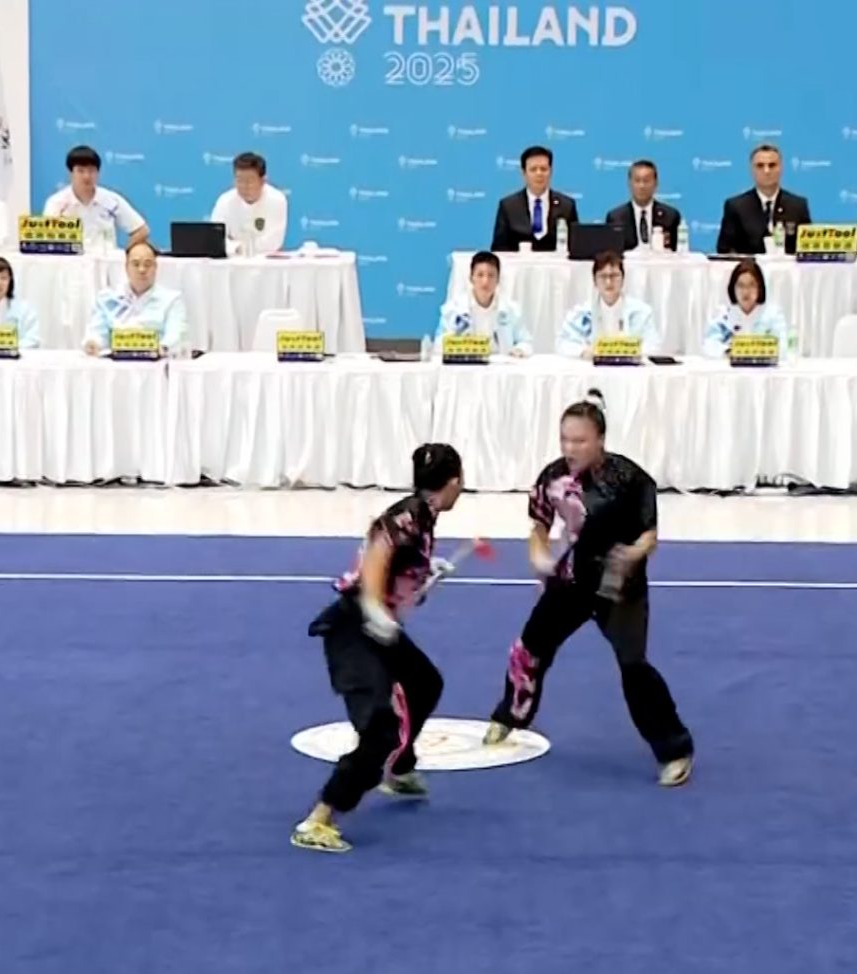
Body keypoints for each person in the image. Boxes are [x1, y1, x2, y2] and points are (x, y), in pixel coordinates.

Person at [483, 391, 694, 787]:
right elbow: (539, 527)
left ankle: (675, 749)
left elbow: (649, 536)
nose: (570, 448)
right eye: (564, 439)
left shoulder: (631, 480)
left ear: (600, 440)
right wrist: (540, 558)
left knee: (634, 667)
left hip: (619, 585)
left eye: (579, 440)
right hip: (573, 578)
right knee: (529, 649)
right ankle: (510, 715)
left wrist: (632, 554)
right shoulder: (552, 478)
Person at [292, 444, 465, 853]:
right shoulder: (408, 516)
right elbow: (378, 551)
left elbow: (398, 572)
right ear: (455, 481)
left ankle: (399, 769)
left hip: (377, 627)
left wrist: (426, 574)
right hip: (355, 627)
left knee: (425, 682)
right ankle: (319, 819)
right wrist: (373, 606)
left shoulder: (424, 517)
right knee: (380, 729)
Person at [83, 240, 188, 357]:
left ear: (156, 267)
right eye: (136, 264)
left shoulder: (172, 299)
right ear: (126, 267)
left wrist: (162, 347)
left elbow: (176, 335)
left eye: (147, 264)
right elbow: (96, 331)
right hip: (115, 362)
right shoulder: (107, 298)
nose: (142, 270)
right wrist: (93, 343)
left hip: (155, 362)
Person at [556, 251, 662, 359]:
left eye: (614, 276)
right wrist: (584, 351)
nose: (608, 282)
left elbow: (653, 346)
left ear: (623, 279)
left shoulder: (641, 312)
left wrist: (627, 350)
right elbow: (562, 343)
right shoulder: (581, 313)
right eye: (603, 276)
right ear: (595, 281)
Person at [43, 145, 148, 250]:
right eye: (80, 171)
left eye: (91, 171)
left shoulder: (112, 200)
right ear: (70, 173)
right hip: (71, 258)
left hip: (106, 259)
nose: (86, 176)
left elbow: (141, 230)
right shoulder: (56, 202)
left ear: (98, 173)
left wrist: (124, 254)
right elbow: (47, 239)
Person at [716, 144, 811, 256]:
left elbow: (808, 248)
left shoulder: (798, 206)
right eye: (760, 166)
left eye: (772, 165)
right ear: (752, 170)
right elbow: (725, 250)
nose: (766, 171)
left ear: (781, 168)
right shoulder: (736, 206)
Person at [434, 251, 532, 357]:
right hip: (466, 363)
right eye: (480, 275)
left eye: (491, 276)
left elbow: (526, 341)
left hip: (502, 364)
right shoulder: (453, 309)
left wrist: (519, 350)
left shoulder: (511, 310)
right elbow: (439, 344)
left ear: (498, 279)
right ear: (471, 278)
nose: (485, 281)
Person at [491, 145, 578, 252]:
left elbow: (575, 246)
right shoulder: (508, 206)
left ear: (550, 171)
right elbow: (499, 248)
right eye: (533, 169)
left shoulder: (566, 205)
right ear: (524, 173)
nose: (539, 174)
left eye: (543, 169)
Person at [703, 258, 787, 358]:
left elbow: (782, 346)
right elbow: (709, 345)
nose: (746, 291)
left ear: (760, 288)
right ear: (732, 288)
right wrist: (729, 352)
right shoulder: (724, 316)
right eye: (740, 285)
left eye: (752, 285)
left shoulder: (772, 315)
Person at [209, 152, 288, 255]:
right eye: (239, 180)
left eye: (249, 181)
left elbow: (274, 241)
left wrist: (245, 249)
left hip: (265, 260)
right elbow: (215, 238)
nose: (244, 186)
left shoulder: (277, 200)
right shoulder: (225, 201)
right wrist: (236, 248)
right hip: (233, 259)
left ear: (263, 181)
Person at [605, 159, 681, 251]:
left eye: (646, 181)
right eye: (637, 180)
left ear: (656, 183)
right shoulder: (616, 217)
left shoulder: (670, 216)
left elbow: (675, 251)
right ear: (629, 183)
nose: (642, 186)